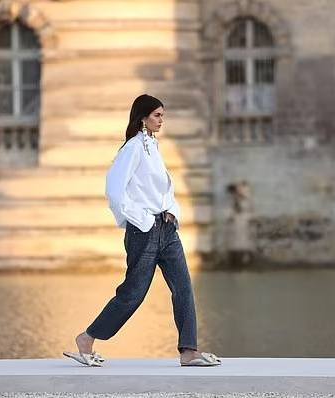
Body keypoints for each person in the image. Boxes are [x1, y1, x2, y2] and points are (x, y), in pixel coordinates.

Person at [63, 94, 221, 367]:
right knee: (133, 294)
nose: (162, 120)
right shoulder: (133, 148)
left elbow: (163, 189)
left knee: (183, 287)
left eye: (163, 115)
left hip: (167, 230)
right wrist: (143, 220)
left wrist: (171, 211)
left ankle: (188, 351)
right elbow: (114, 191)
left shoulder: (153, 148)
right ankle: (87, 339)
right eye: (158, 115)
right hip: (144, 232)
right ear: (143, 117)